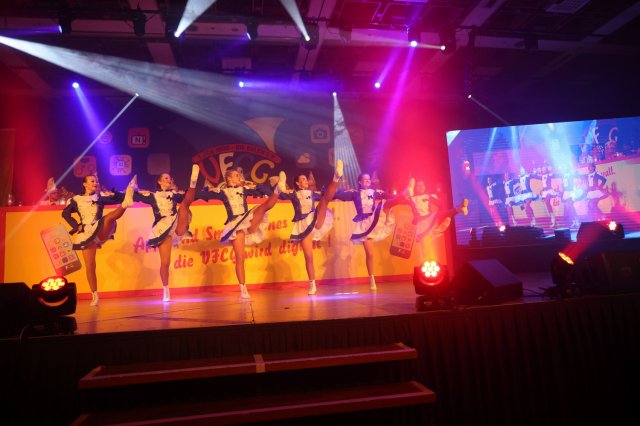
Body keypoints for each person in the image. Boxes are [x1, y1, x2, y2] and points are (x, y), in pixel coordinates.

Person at [201, 168, 287, 300]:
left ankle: (278, 190)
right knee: (240, 257)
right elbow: (205, 195)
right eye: (236, 175)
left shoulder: (244, 190)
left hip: (247, 221)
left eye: (239, 175)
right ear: (229, 179)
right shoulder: (223, 192)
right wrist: (207, 190)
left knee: (263, 207)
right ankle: (243, 288)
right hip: (236, 227)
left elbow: (264, 191)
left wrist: (255, 185)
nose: (240, 177)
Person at [62, 174, 136, 306]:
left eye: (96, 181)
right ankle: (94, 295)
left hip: (100, 229)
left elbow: (116, 198)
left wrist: (130, 192)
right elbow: (65, 214)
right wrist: (76, 225)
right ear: (84, 184)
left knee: (109, 218)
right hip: (86, 233)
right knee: (90, 266)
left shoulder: (99, 197)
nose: (95, 183)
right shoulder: (76, 199)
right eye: (92, 181)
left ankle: (125, 205)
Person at [133, 165, 201, 302]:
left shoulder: (174, 195)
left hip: (176, 224)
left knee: (184, 204)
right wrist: (134, 189)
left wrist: (206, 191)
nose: (168, 180)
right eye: (165, 178)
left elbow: (190, 198)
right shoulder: (152, 196)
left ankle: (193, 182)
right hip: (163, 229)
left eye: (169, 178)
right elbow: (136, 197)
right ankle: (166, 289)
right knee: (165, 262)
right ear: (159, 182)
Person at [279, 161, 343, 295]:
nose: (306, 181)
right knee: (309, 257)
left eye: (306, 179)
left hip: (315, 220)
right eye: (303, 179)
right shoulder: (294, 194)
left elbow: (328, 196)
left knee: (325, 200)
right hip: (303, 225)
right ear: (297, 184)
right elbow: (281, 195)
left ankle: (336, 177)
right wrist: (281, 186)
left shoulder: (313, 193)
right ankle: (312, 284)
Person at [333, 172, 396, 291]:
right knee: (370, 253)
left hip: (373, 221)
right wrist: (340, 191)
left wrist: (397, 196)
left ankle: (405, 194)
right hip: (363, 225)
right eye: (365, 179)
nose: (367, 181)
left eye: (369, 179)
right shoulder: (355, 193)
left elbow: (388, 196)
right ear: (360, 182)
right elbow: (340, 196)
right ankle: (372, 278)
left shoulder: (374, 192)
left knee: (388, 204)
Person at [406, 178, 468, 242]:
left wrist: (440, 207)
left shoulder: (428, 196)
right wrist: (409, 189)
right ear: (414, 187)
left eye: (423, 185)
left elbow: (441, 204)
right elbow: (402, 198)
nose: (421, 187)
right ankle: (459, 209)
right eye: (419, 185)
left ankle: (459, 209)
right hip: (421, 222)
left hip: (430, 220)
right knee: (437, 216)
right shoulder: (412, 198)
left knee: (445, 217)